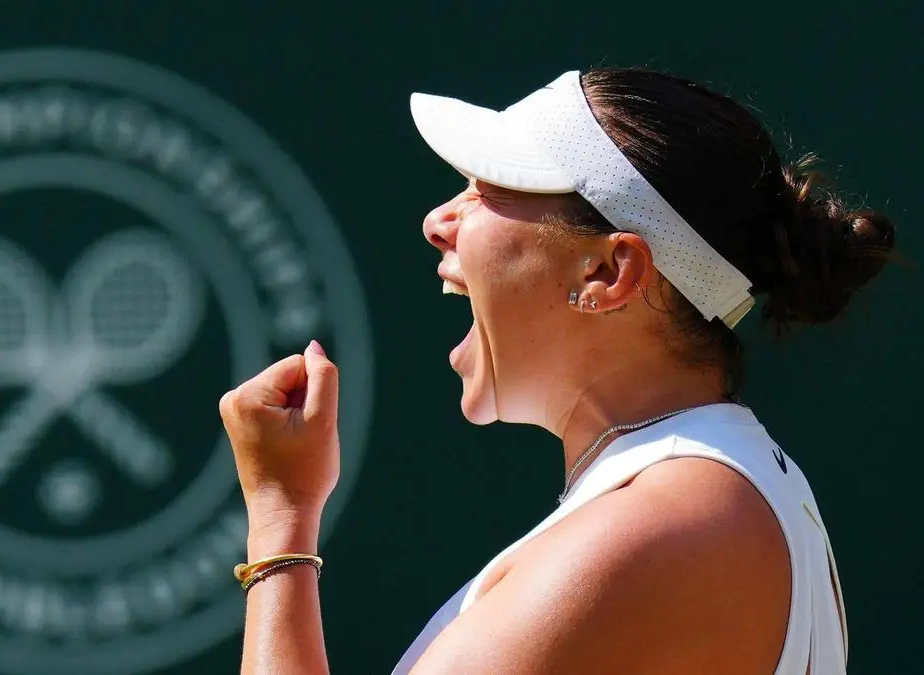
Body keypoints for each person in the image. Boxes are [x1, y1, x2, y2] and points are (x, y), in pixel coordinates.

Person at [217, 67, 894, 674]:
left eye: (489, 189)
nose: (438, 221)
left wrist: (281, 516)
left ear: (608, 272)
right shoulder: (702, 493)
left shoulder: (657, 524)